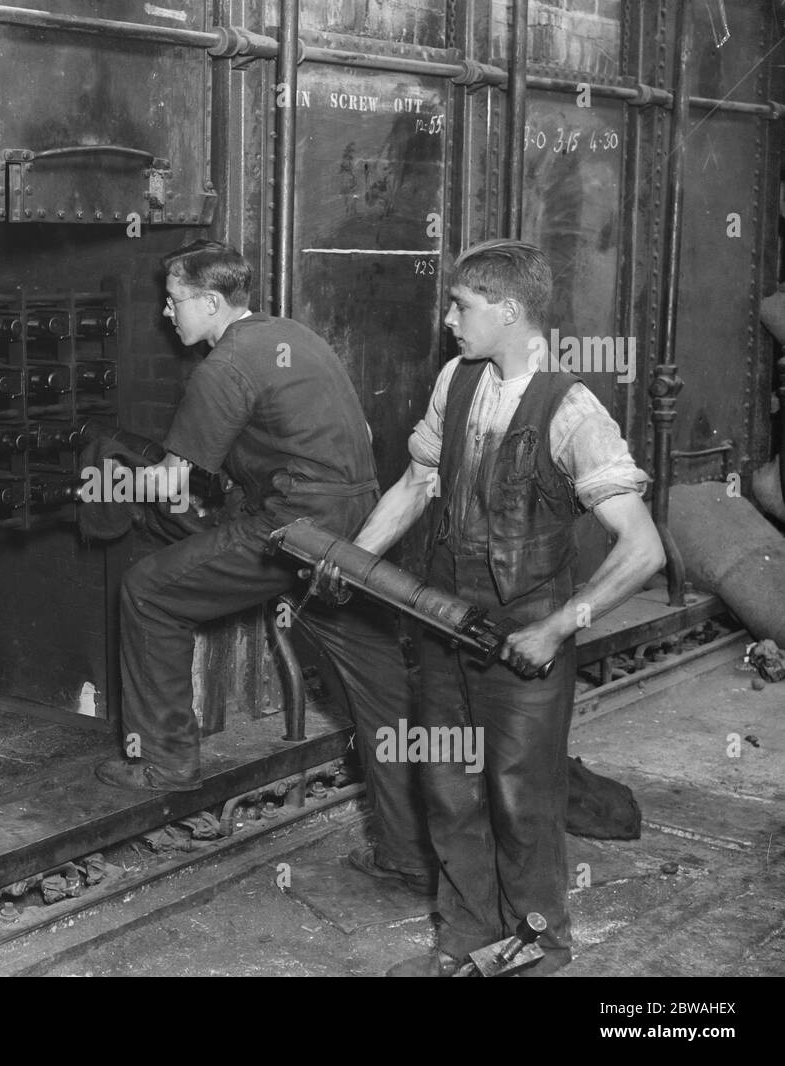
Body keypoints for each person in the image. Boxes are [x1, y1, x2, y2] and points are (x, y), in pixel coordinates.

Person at [351, 239, 665, 976]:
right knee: (448, 787)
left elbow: (643, 549)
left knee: (521, 798)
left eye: (463, 306)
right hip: (442, 623)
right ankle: (462, 938)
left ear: (510, 309)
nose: (451, 320)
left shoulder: (573, 410)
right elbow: (414, 487)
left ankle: (536, 946)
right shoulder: (456, 380)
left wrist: (558, 627)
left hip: (526, 633)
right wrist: (354, 563)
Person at [94, 239, 434, 894]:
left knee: (148, 588)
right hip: (356, 530)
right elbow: (332, 437)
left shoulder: (221, 367)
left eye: (174, 301)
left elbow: (170, 488)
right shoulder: (289, 334)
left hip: (293, 530)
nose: (167, 315)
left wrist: (109, 472)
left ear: (212, 302)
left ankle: (166, 763)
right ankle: (409, 852)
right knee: (380, 693)